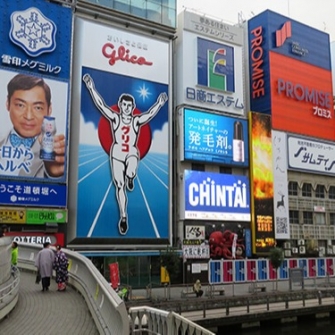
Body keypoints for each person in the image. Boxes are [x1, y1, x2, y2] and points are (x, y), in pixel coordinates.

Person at [83, 73, 168, 236]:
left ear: (132, 106)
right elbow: (101, 105)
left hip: (131, 152)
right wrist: (91, 87)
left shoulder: (136, 121)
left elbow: (149, 115)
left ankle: (131, 177)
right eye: (124, 105)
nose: (127, 108)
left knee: (131, 170)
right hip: (116, 154)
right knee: (119, 186)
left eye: (130, 106)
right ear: (121, 106)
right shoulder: (115, 118)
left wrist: (160, 103)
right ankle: (123, 216)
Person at [0, 73, 66, 178]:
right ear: (7, 104)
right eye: (20, 105)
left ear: (49, 109)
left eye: (38, 108)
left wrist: (54, 175)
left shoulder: (59, 150)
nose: (29, 116)